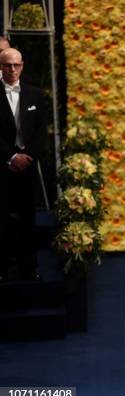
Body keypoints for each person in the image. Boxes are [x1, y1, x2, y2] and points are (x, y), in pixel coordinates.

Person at [0, 48, 47, 281]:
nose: (12, 69)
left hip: (27, 166)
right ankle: (3, 268)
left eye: (16, 65)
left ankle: (29, 267)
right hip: (3, 166)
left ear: (22, 66)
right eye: (7, 65)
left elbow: (41, 131)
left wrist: (26, 156)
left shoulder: (35, 95)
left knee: (28, 217)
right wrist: (11, 157)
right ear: (0, 66)